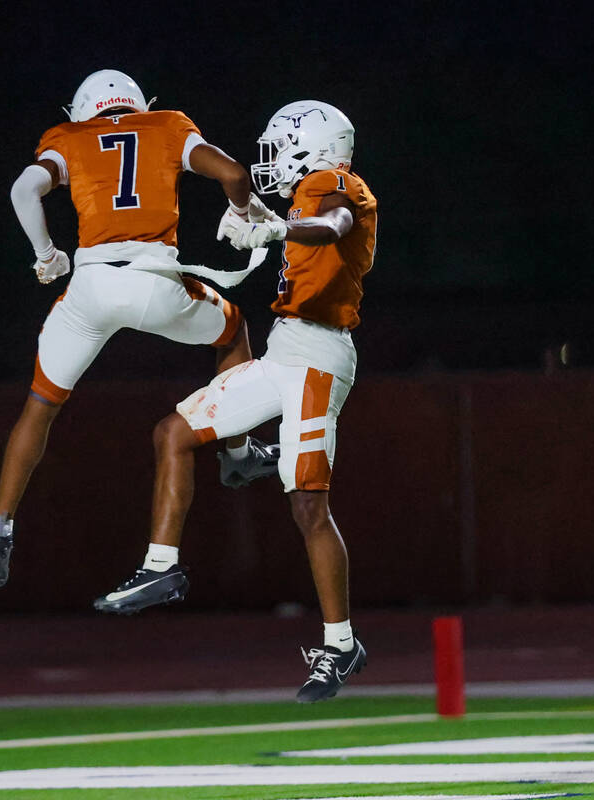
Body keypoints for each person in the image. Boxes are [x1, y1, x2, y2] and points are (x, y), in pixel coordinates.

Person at [93, 101, 378, 703]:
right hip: (284, 354)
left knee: (308, 507)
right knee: (174, 432)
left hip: (319, 361)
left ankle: (340, 643)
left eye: (281, 146)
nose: (272, 158)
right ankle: (162, 565)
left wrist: (269, 228)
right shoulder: (309, 195)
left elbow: (332, 228)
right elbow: (304, 230)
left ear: (316, 147)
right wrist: (258, 215)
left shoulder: (338, 186)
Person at [0, 69, 279, 589]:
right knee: (233, 330)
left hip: (91, 288)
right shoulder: (167, 126)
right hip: (155, 283)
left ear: (81, 110)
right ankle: (237, 454)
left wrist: (47, 255)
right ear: (140, 103)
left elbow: (24, 189)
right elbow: (234, 174)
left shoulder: (66, 138)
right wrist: (239, 213)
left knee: (40, 406)